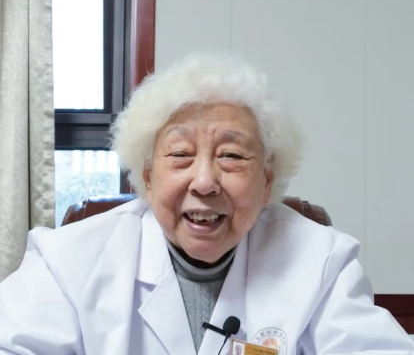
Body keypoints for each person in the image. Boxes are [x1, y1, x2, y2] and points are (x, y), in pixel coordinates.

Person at [0, 53, 413, 355]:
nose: (204, 182)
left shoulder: (321, 260)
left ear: (267, 179)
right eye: (180, 154)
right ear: (147, 175)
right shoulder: (68, 260)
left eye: (231, 156)